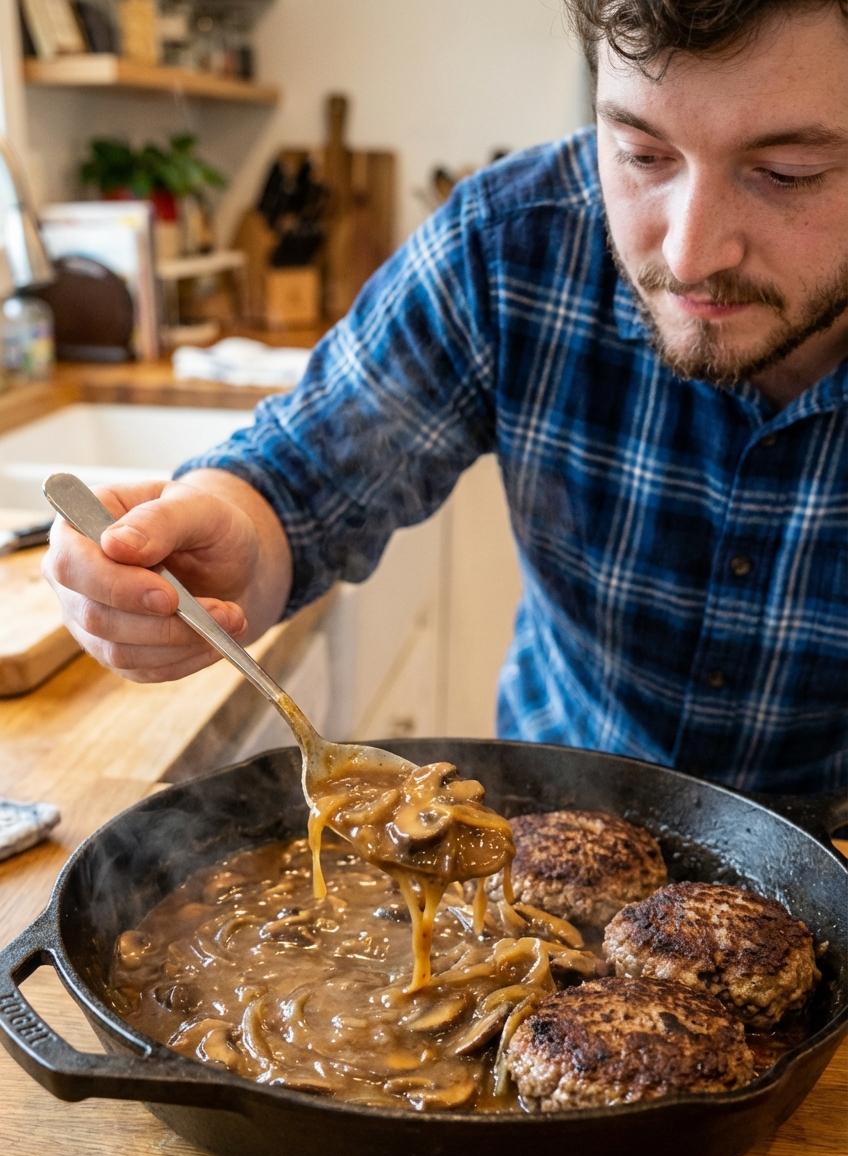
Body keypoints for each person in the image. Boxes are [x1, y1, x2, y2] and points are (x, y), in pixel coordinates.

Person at [44, 0, 847, 794]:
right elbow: (297, 477)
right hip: (553, 826)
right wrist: (225, 548)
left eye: (788, 174)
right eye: (642, 154)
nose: (690, 254)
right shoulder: (510, 241)